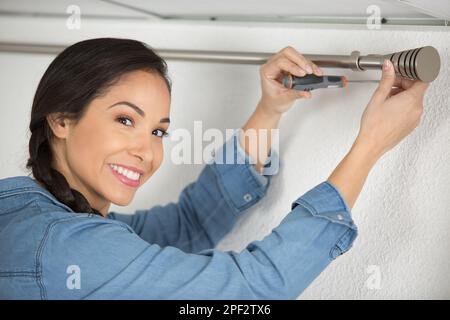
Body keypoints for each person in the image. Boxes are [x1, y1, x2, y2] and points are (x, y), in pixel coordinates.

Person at [0, 38, 429, 299]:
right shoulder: (68, 247)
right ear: (61, 120)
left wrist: (268, 110)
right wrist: (369, 145)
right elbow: (252, 290)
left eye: (159, 132)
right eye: (125, 120)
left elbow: (187, 225)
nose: (145, 151)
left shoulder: (41, 219)